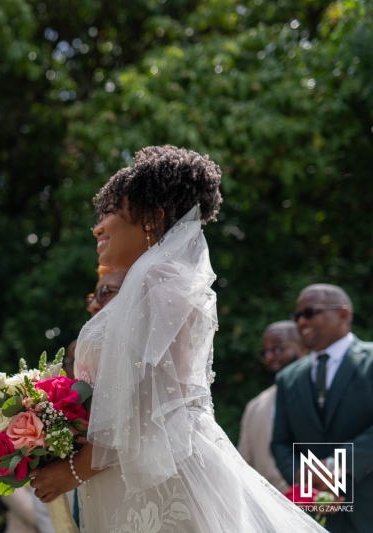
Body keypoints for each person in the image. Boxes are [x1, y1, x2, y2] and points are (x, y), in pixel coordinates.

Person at [28, 145, 326, 532]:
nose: (97, 228)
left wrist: (71, 471)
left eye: (112, 214)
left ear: (153, 218)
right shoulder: (147, 283)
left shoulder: (161, 280)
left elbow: (147, 406)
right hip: (122, 476)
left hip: (162, 481)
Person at [272, 284, 373, 532]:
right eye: (297, 316)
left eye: (310, 312)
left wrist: (336, 465)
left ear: (344, 313)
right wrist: (304, 479)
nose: (301, 321)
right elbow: (280, 442)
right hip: (314, 515)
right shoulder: (288, 379)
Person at [237, 321, 307, 493]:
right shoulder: (254, 407)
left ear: (303, 349)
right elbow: (244, 465)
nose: (269, 357)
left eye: (277, 349)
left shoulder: (325, 396)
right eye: (265, 352)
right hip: (269, 511)